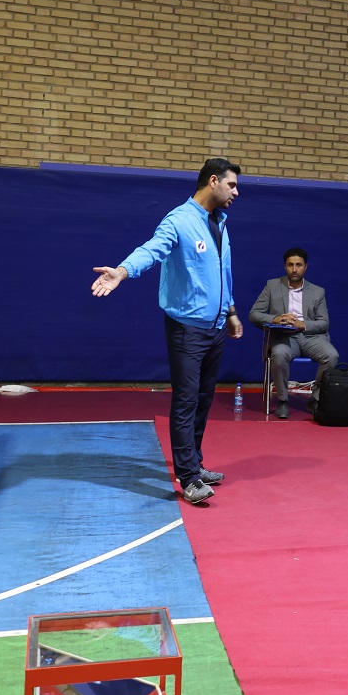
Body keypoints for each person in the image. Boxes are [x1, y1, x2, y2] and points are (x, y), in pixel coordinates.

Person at [91, 158, 243, 505]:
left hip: (216, 327)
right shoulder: (179, 220)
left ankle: (195, 463)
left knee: (203, 400)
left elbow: (224, 275)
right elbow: (151, 250)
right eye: (232, 185)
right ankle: (188, 478)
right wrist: (122, 271)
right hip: (187, 330)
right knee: (186, 401)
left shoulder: (220, 222)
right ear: (213, 181)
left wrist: (231, 312)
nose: (236, 192)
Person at [248, 247, 338, 420]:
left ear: (306, 267)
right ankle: (283, 400)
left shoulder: (317, 291)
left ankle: (316, 398)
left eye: (298, 265)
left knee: (332, 356)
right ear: (285, 266)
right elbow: (254, 314)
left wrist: (302, 324)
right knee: (279, 355)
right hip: (284, 337)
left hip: (310, 337)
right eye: (290, 265)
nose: (294, 269)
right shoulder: (272, 286)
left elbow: (324, 323)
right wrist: (277, 318)